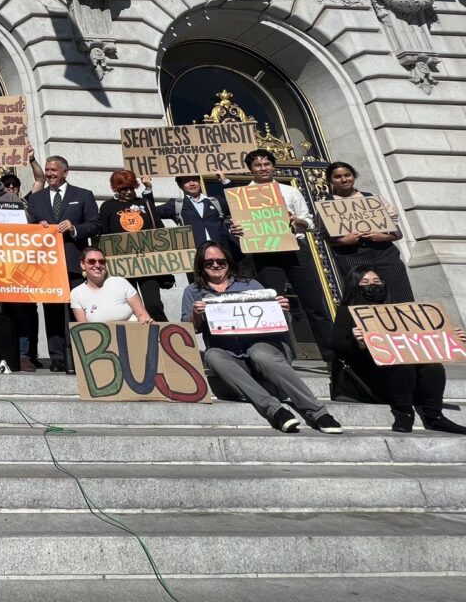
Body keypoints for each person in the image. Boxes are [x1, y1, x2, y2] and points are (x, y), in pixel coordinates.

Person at [183, 240, 342, 434]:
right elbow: (190, 329)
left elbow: (279, 322)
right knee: (212, 355)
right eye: (209, 263)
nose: (215, 265)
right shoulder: (192, 292)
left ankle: (318, 412)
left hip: (265, 348)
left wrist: (282, 310)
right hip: (230, 354)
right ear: (201, 266)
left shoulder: (251, 285)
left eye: (220, 261)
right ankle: (275, 411)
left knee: (259, 352)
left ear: (228, 262)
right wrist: (196, 313)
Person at [330, 265, 464, 434]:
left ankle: (434, 416)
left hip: (401, 375)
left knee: (434, 367)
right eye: (364, 282)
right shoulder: (345, 312)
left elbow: (419, 340)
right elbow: (336, 345)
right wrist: (357, 342)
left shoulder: (399, 311)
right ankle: (404, 412)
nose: (372, 285)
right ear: (354, 286)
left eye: (376, 281)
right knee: (402, 366)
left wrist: (449, 337)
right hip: (369, 373)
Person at [237, 149, 334, 363]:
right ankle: (279, 358)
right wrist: (236, 230)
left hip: (296, 248)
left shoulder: (290, 191)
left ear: (273, 166)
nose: (263, 168)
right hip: (266, 252)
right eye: (257, 165)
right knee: (272, 306)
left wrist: (295, 221)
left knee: (314, 303)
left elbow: (309, 222)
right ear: (250, 169)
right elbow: (241, 225)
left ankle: (333, 359)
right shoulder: (242, 196)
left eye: (267, 164)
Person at [25, 153, 98, 371]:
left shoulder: (83, 195)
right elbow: (29, 229)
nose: (49, 175)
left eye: (53, 171)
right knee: (53, 312)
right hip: (47, 265)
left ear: (65, 172)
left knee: (77, 310)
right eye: (47, 171)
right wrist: (39, 226)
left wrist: (75, 228)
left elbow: (95, 224)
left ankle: (79, 354)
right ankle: (57, 357)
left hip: (74, 262)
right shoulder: (36, 199)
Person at [320, 161, 413, 303]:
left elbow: (398, 234)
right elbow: (325, 237)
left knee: (399, 293)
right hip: (351, 256)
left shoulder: (372, 199)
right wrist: (342, 241)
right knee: (362, 298)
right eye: (338, 177)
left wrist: (382, 236)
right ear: (330, 180)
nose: (344, 179)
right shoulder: (327, 205)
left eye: (347, 175)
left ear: (354, 176)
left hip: (384, 254)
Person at [96, 170, 171, 322]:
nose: (129, 192)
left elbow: (159, 231)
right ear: (116, 189)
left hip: (148, 264)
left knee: (153, 303)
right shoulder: (107, 206)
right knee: (128, 307)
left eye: (131, 188)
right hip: (122, 266)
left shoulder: (145, 204)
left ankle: (163, 334)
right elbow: (103, 236)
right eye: (124, 189)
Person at [145, 173, 239, 255]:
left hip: (223, 253)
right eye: (186, 181)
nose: (192, 183)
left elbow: (238, 202)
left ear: (199, 182)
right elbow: (151, 212)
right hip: (194, 257)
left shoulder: (217, 201)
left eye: (194, 180)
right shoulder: (176, 204)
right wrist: (148, 188)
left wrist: (225, 180)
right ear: (181, 186)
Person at [69, 246, 152, 324]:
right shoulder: (76, 294)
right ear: (83, 265)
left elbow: (142, 315)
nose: (97, 265)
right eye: (92, 261)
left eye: (101, 261)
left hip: (132, 333)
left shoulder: (120, 282)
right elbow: (84, 330)